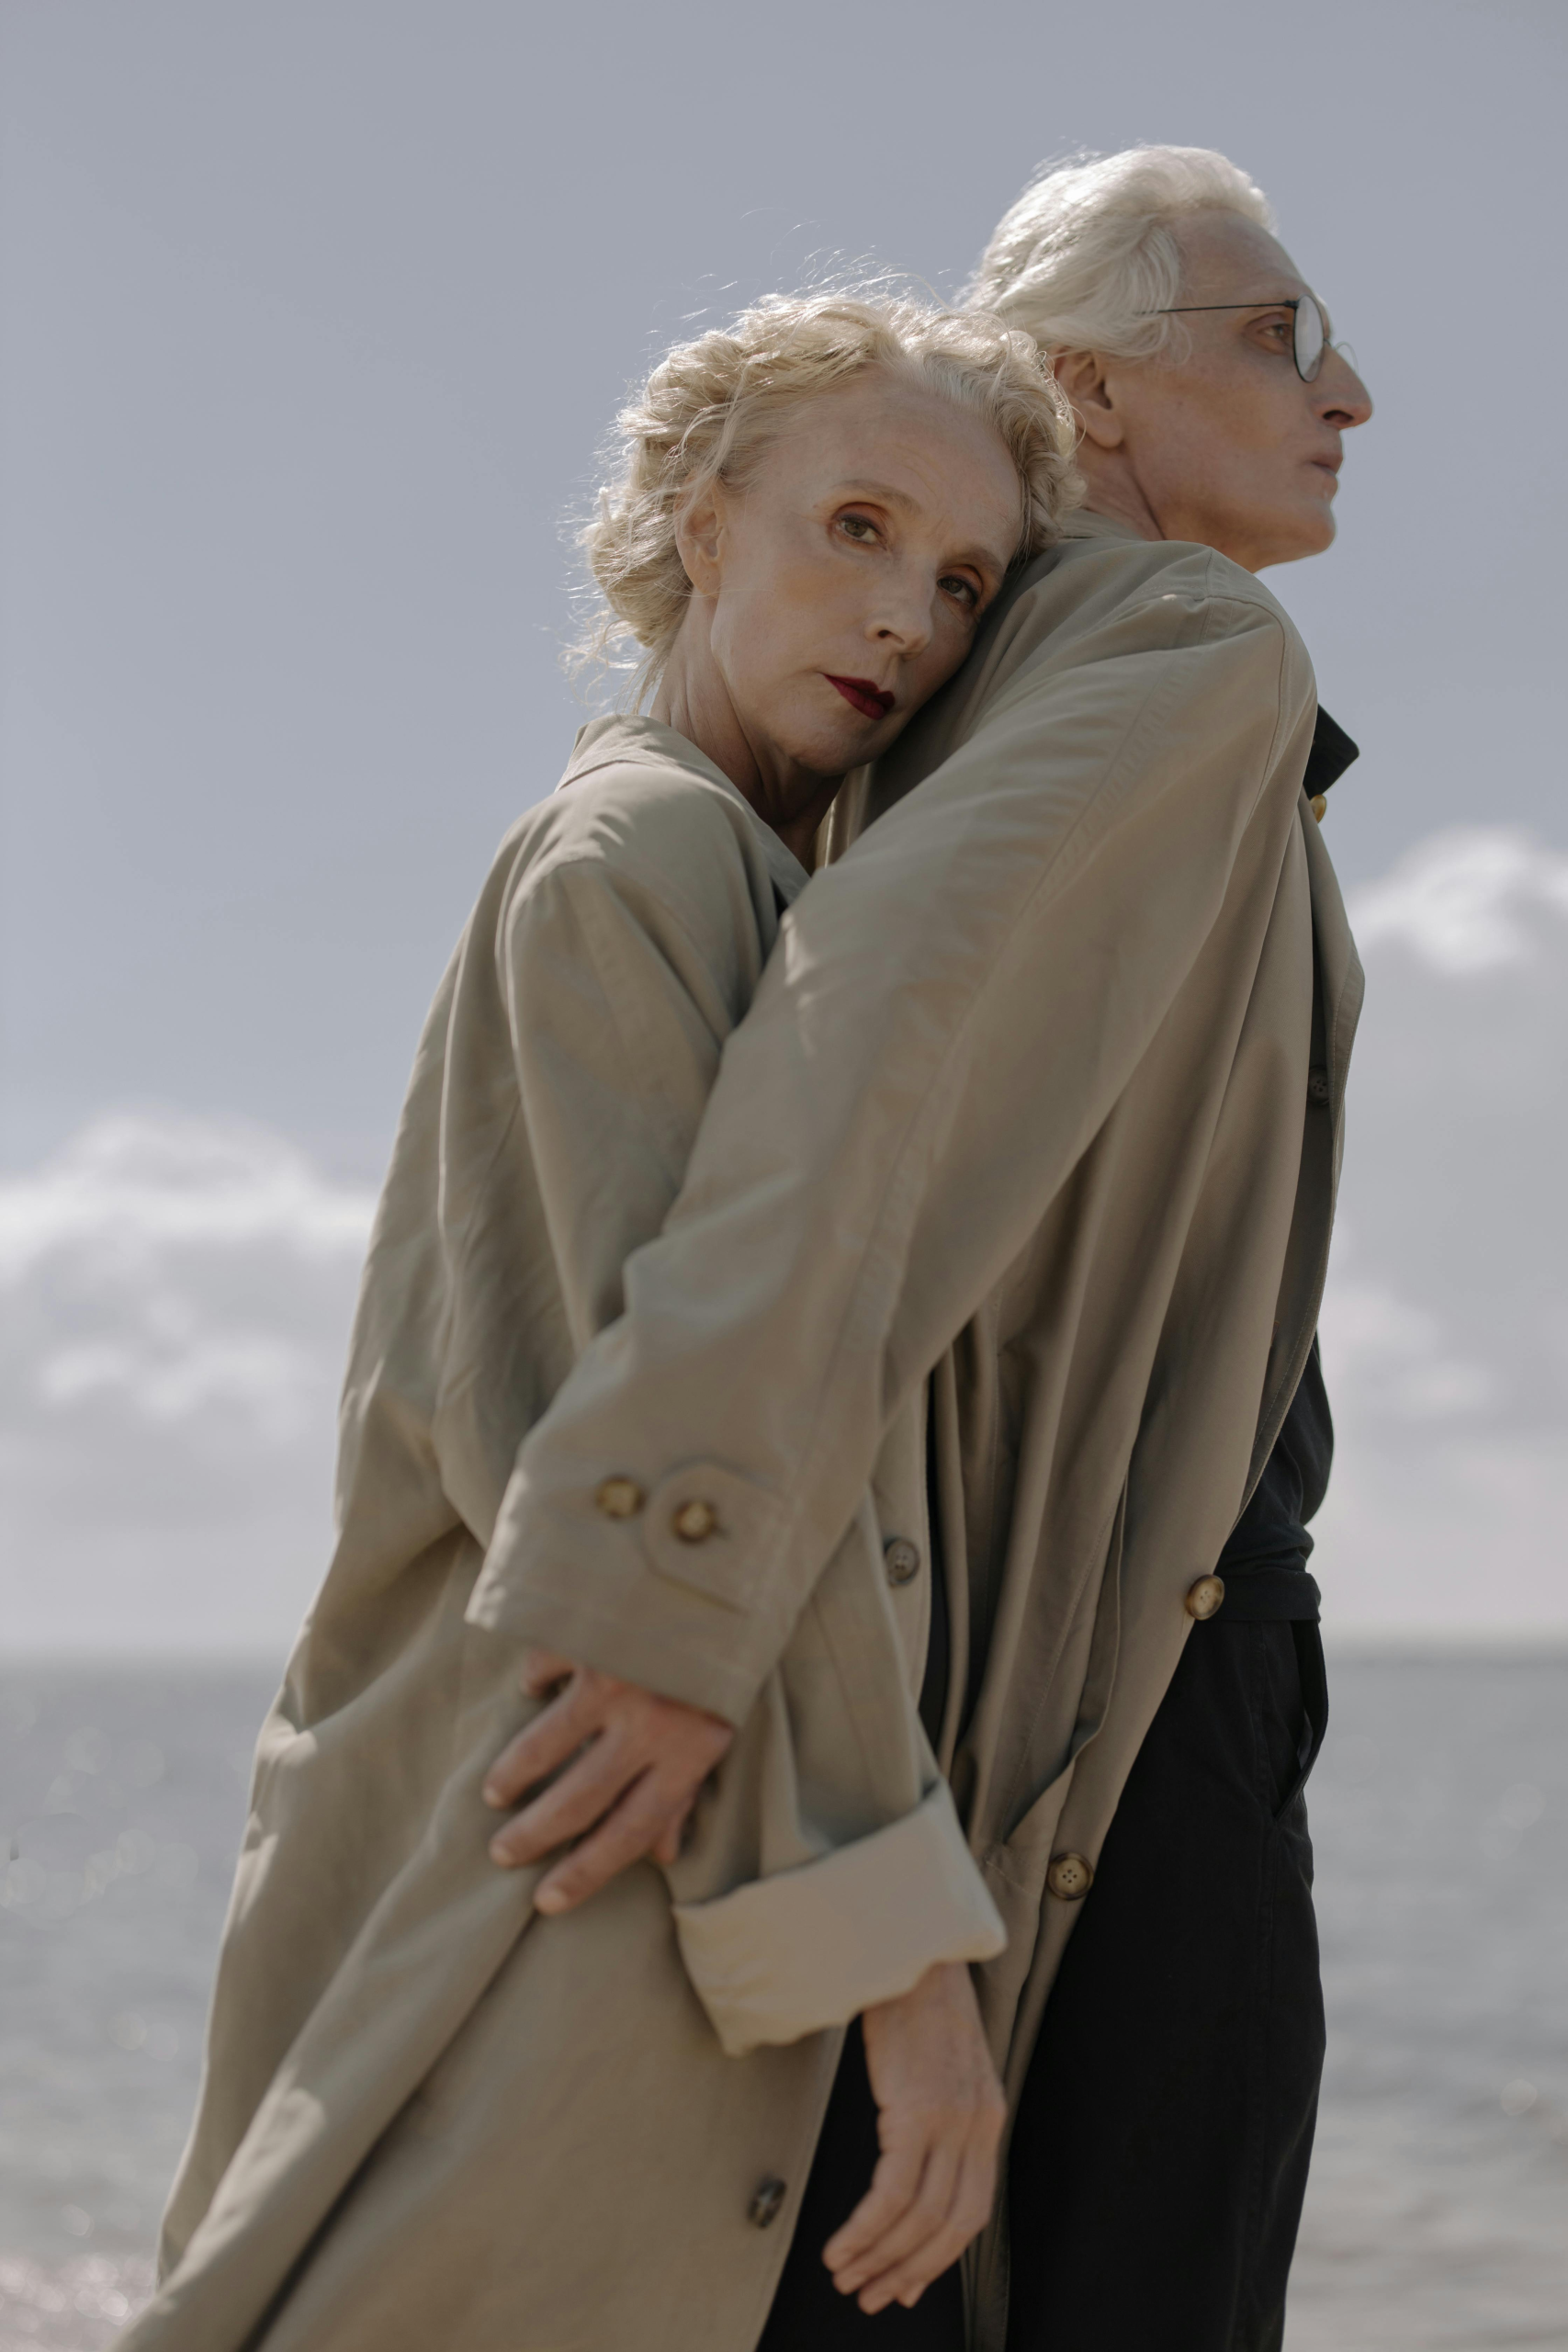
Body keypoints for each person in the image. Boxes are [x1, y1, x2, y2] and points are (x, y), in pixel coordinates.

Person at [469, 148, 1372, 2352]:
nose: (1347, 393)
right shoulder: (1180, 635)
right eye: (1277, 335)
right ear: (1082, 387)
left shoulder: (885, 732)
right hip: (1140, 1673)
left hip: (913, 1654)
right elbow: (862, 1030)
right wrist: (663, 1567)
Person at [118, 290, 1079, 2352]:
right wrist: (913, 1981)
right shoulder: (639, 857)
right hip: (551, 1851)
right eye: (854, 523)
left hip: (549, 1829)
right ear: (692, 514)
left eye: (960, 577)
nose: (908, 613)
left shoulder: (716, 868)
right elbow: (680, 1477)